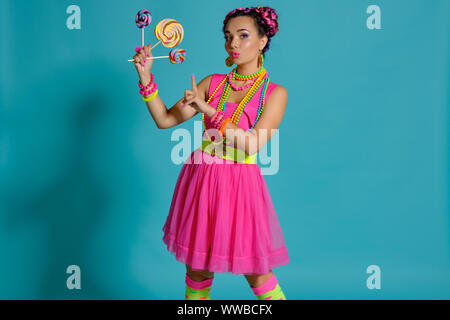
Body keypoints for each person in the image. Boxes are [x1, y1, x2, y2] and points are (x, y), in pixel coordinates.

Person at [132, 6, 289, 300]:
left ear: (263, 40)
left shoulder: (275, 93)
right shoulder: (212, 83)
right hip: (202, 179)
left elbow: (253, 144)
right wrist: (145, 78)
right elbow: (165, 120)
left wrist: (210, 111)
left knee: (256, 270)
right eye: (228, 36)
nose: (233, 43)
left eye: (243, 36)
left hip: (240, 183)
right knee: (198, 267)